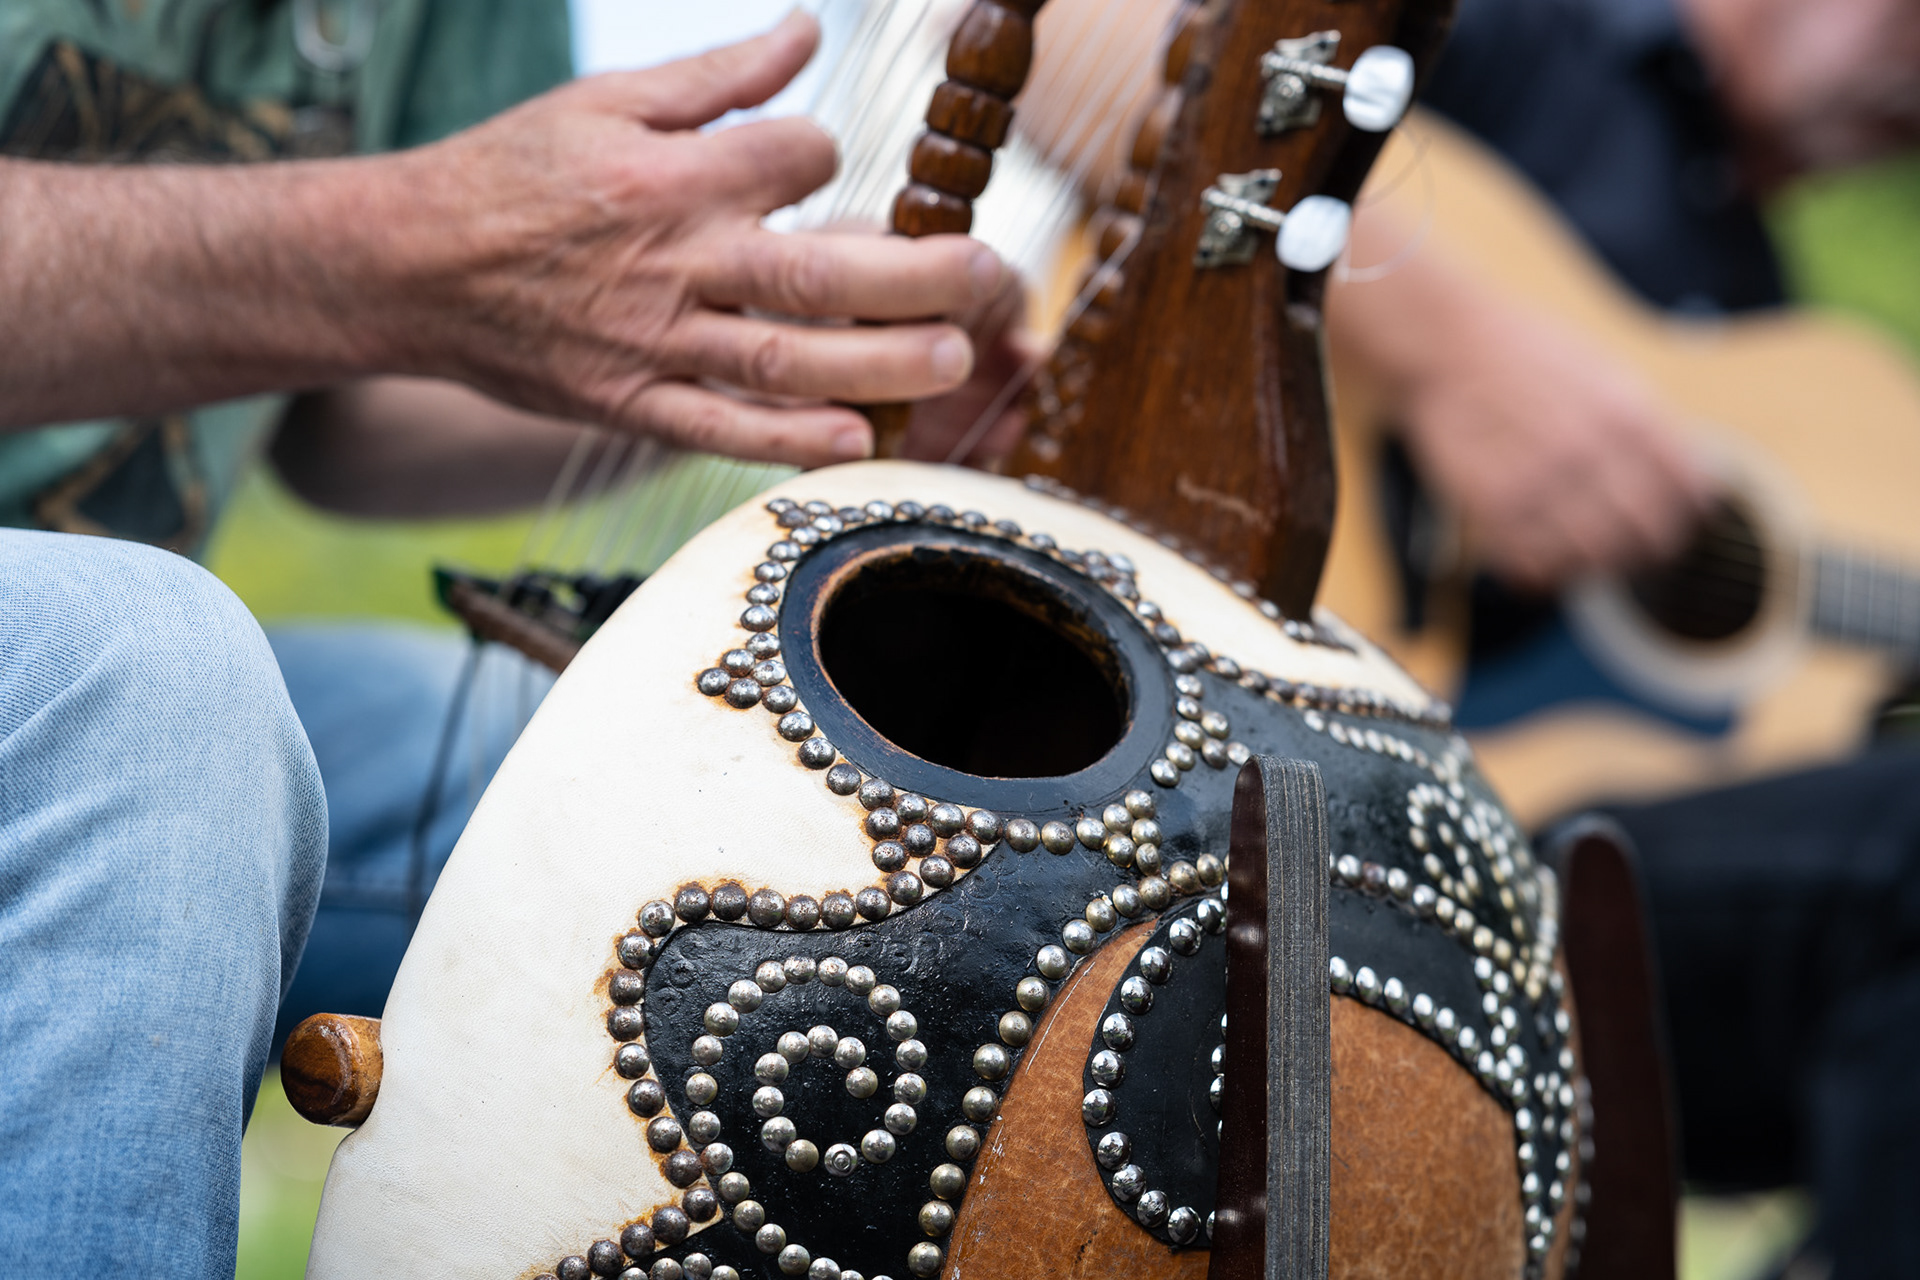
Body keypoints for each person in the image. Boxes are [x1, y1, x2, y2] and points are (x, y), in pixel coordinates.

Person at [0, 6, 1019, 1272]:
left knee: (749, 782)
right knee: (145, 681)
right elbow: (374, 277)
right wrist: (391, 250)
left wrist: (742, 340)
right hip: (118, 695)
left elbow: (339, 405)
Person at [1321, 0, 1920, 1274]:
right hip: (1316, 768)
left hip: (1568, 867)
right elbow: (1103, 54)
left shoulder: (1800, 349)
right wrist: (1455, 353)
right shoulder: (1523, 41)